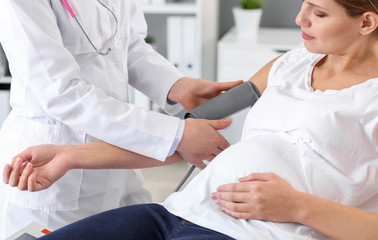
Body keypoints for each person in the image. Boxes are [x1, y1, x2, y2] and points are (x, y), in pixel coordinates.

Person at [3, 0, 378, 239]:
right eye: (304, 4)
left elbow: (130, 46)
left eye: (319, 12)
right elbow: (190, 136)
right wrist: (70, 156)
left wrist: (298, 207)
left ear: (366, 23)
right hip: (173, 213)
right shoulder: (289, 64)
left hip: (255, 232)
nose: (300, 19)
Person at [0, 0, 243, 238]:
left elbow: (129, 45)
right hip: (55, 176)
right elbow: (60, 92)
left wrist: (176, 85)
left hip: (120, 155)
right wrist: (176, 135)